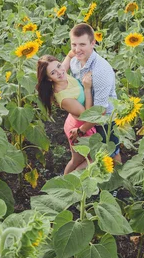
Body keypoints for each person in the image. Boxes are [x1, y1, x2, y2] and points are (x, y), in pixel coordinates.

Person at [67, 23, 122, 163]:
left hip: (104, 121)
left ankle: (117, 183)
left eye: (82, 44)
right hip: (86, 113)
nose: (77, 49)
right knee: (92, 156)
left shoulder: (101, 71)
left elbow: (101, 111)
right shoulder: (75, 62)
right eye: (74, 44)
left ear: (93, 43)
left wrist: (81, 130)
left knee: (111, 153)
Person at [36, 53, 94, 174]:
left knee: (79, 159)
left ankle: (67, 182)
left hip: (76, 121)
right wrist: (87, 88)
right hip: (79, 128)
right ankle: (71, 182)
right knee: (89, 158)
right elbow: (88, 115)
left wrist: (79, 50)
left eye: (58, 66)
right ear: (48, 78)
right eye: (53, 73)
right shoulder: (64, 97)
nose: (59, 72)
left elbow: (69, 55)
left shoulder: (61, 72)